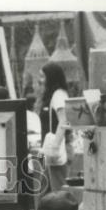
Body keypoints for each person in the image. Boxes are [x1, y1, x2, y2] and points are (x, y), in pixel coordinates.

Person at [37, 62, 69, 196]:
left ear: (51, 78)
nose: (40, 80)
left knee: (58, 190)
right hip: (48, 148)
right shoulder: (52, 95)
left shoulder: (58, 96)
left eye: (43, 77)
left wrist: (55, 145)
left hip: (56, 148)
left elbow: (63, 120)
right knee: (46, 189)